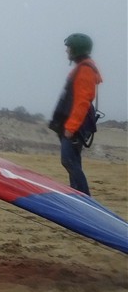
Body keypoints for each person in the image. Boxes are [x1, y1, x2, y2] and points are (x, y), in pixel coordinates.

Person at [48, 33, 102, 195]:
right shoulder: (82, 68)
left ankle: (83, 197)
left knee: (69, 160)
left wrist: (71, 128)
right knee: (72, 161)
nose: (66, 51)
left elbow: (82, 102)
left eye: (69, 48)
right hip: (73, 123)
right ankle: (77, 194)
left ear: (77, 49)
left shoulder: (85, 70)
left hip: (76, 125)